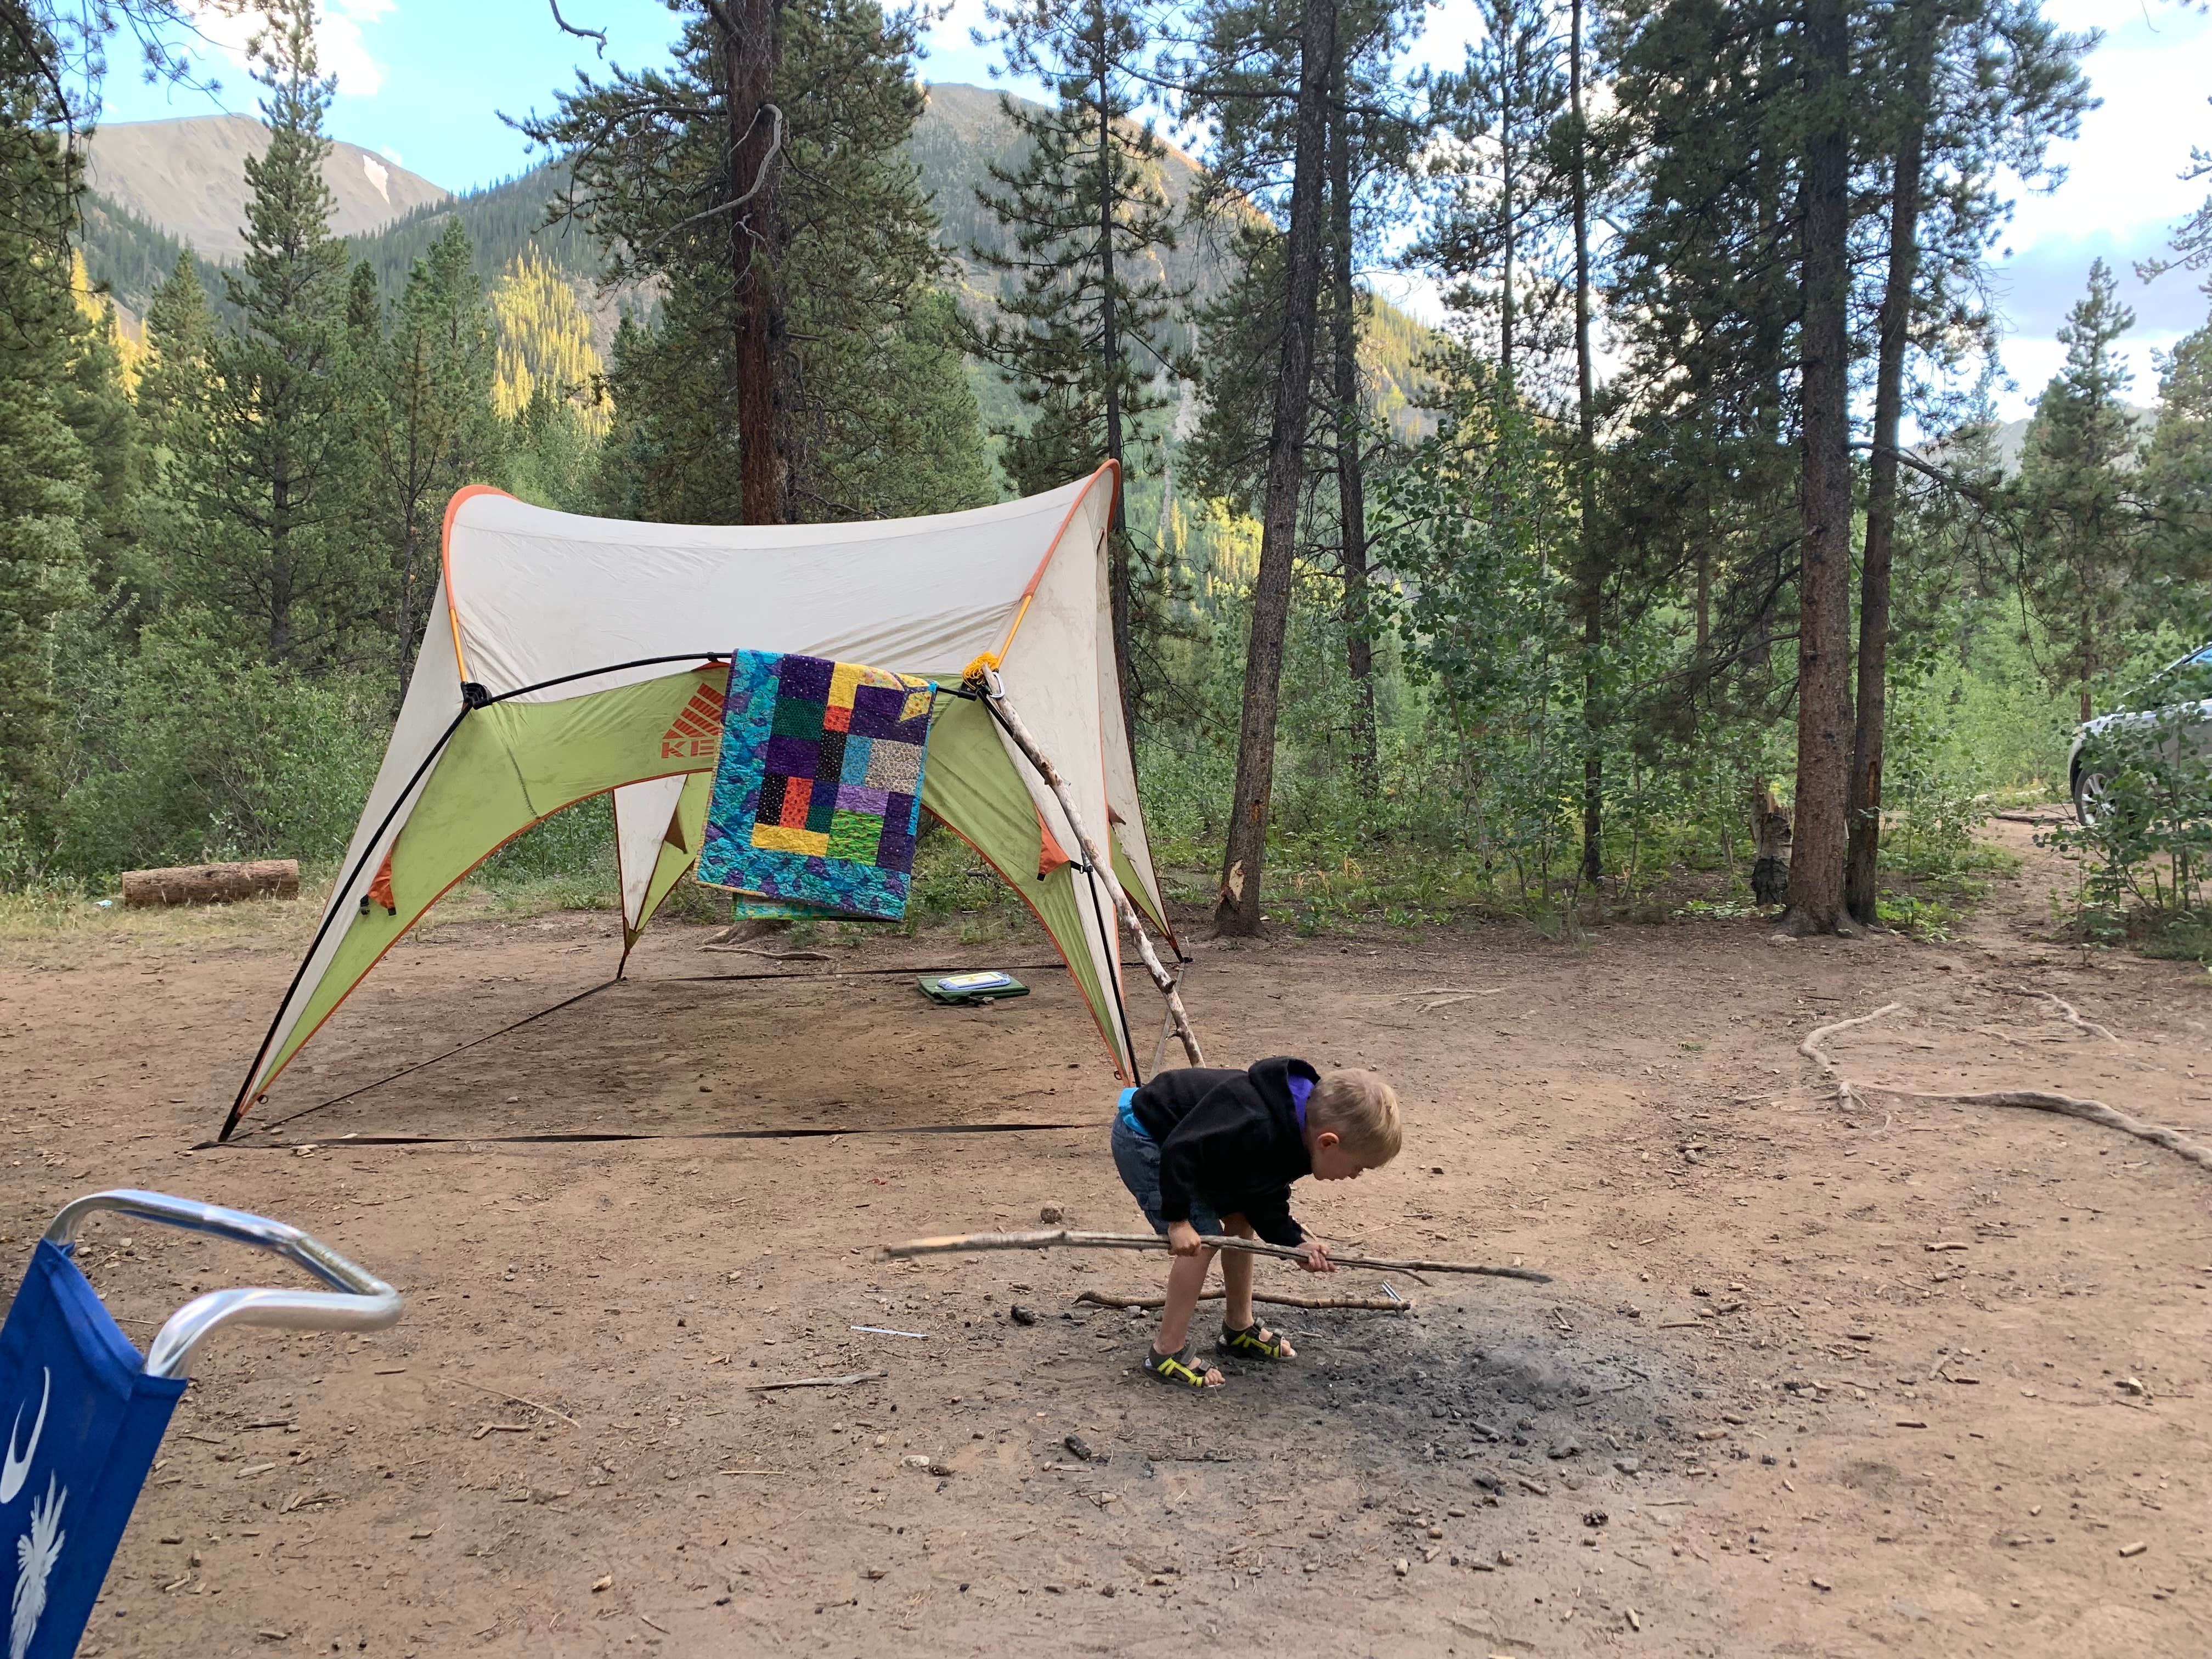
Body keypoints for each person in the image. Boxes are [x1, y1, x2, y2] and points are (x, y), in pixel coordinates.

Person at [1110, 1058, 1402, 1387]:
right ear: (1328, 1143)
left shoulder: (1297, 1133)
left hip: (1194, 1149)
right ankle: (1166, 1352)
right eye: (1357, 1167)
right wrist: (1177, 1221)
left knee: (1241, 1218)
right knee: (1203, 1237)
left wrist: (1295, 1242)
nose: (1353, 1176)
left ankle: (1238, 1328)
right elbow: (1182, 1150)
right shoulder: (1256, 1122)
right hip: (1148, 1137)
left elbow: (1261, 1194)